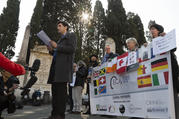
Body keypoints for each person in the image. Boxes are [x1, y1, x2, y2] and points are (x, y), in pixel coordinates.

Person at [46, 21, 77, 119]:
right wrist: (51, 50)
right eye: (57, 26)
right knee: (55, 94)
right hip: (55, 69)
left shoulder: (71, 36)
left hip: (63, 70)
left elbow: (71, 49)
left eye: (59, 26)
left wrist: (57, 47)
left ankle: (60, 115)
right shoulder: (59, 40)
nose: (57, 27)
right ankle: (54, 114)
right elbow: (57, 53)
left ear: (66, 27)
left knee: (61, 95)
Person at [149, 23, 179, 118]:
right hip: (157, 74)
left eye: (153, 29)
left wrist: (166, 38)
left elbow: (174, 48)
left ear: (158, 30)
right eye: (150, 29)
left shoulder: (164, 38)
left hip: (170, 73)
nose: (151, 31)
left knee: (173, 96)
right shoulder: (150, 45)